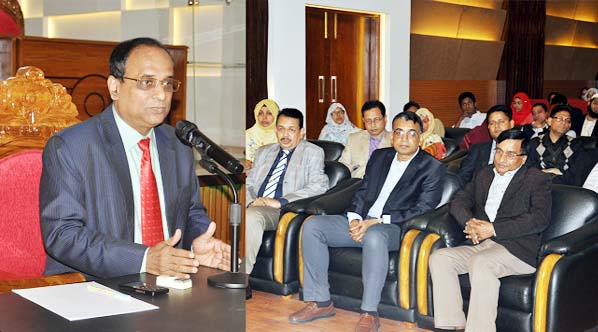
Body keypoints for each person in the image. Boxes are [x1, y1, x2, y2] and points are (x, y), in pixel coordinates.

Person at [40, 37, 230, 279]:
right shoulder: (71, 147)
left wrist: (196, 245)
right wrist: (143, 259)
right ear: (114, 87)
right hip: (96, 286)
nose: (161, 95)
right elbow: (63, 234)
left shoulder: (178, 144)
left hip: (168, 283)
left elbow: (190, 212)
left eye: (167, 83)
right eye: (147, 82)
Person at [289, 112, 446, 332]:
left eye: (412, 134)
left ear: (420, 137)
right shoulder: (380, 157)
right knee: (313, 226)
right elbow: (362, 192)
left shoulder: (432, 167)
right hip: (363, 221)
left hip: (393, 228)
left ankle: (369, 312)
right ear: (392, 136)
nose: (404, 139)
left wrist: (377, 222)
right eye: (399, 132)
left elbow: (423, 209)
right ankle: (321, 302)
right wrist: (355, 218)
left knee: (373, 235)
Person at [429, 129, 551, 332]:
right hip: (481, 243)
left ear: (523, 159)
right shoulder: (484, 173)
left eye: (510, 154)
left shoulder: (536, 179)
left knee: (482, 263)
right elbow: (458, 201)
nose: (502, 159)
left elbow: (539, 219)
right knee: (440, 258)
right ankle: (452, 324)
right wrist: (470, 223)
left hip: (517, 249)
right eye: (499, 151)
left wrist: (493, 229)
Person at [244, 108, 328, 274]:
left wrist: (280, 201)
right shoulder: (264, 151)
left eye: (291, 130)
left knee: (250, 216)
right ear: (275, 129)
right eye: (281, 128)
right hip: (256, 204)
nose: (285, 135)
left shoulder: (313, 152)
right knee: (232, 209)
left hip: (283, 210)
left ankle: (242, 277)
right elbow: (249, 182)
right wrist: (251, 201)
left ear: (301, 132)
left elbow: (319, 185)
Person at [457, 105, 514, 186]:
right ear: (488, 127)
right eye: (492, 123)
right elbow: (462, 178)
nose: (496, 126)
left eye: (501, 121)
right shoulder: (477, 149)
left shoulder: (524, 149)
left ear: (511, 124)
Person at [339, 100, 392, 178]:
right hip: (356, 184)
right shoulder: (353, 138)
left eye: (377, 119)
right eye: (368, 121)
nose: (373, 124)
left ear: (385, 118)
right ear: (363, 120)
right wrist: (355, 168)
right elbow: (342, 167)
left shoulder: (395, 140)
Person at [528, 105, 582, 177]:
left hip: (564, 186)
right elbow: (530, 168)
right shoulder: (535, 142)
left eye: (567, 120)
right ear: (549, 121)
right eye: (560, 119)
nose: (564, 123)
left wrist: (556, 171)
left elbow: (577, 172)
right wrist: (552, 171)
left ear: (570, 125)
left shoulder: (575, 144)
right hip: (538, 184)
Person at [246, 99, 280, 169]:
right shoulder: (248, 135)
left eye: (269, 113)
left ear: (276, 115)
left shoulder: (282, 136)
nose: (264, 117)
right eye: (260, 113)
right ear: (256, 115)